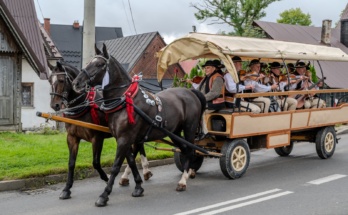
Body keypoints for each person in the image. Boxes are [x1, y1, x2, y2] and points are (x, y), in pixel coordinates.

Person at [198, 59, 225, 134]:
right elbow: (198, 89)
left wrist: (201, 99)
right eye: (205, 68)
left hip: (215, 103)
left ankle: (204, 132)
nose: (206, 69)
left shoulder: (218, 78)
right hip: (207, 101)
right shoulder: (205, 77)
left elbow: (215, 93)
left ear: (214, 68)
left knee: (200, 111)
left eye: (208, 67)